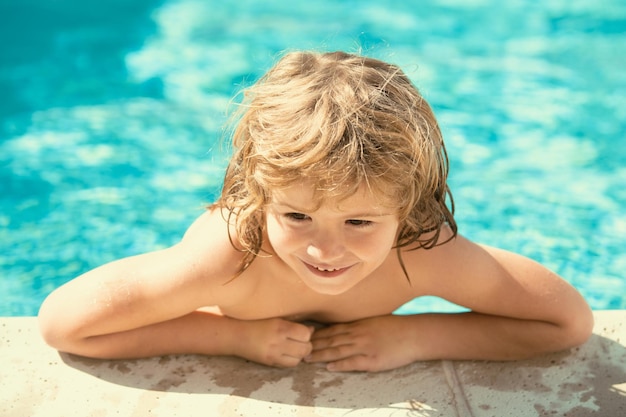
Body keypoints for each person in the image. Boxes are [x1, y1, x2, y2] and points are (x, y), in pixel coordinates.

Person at [38, 51, 593, 372]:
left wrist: (420, 337)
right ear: (259, 196)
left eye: (359, 222)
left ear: (408, 208)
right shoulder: (233, 252)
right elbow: (68, 326)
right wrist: (229, 338)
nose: (325, 251)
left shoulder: (420, 251)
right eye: (297, 217)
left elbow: (565, 321)